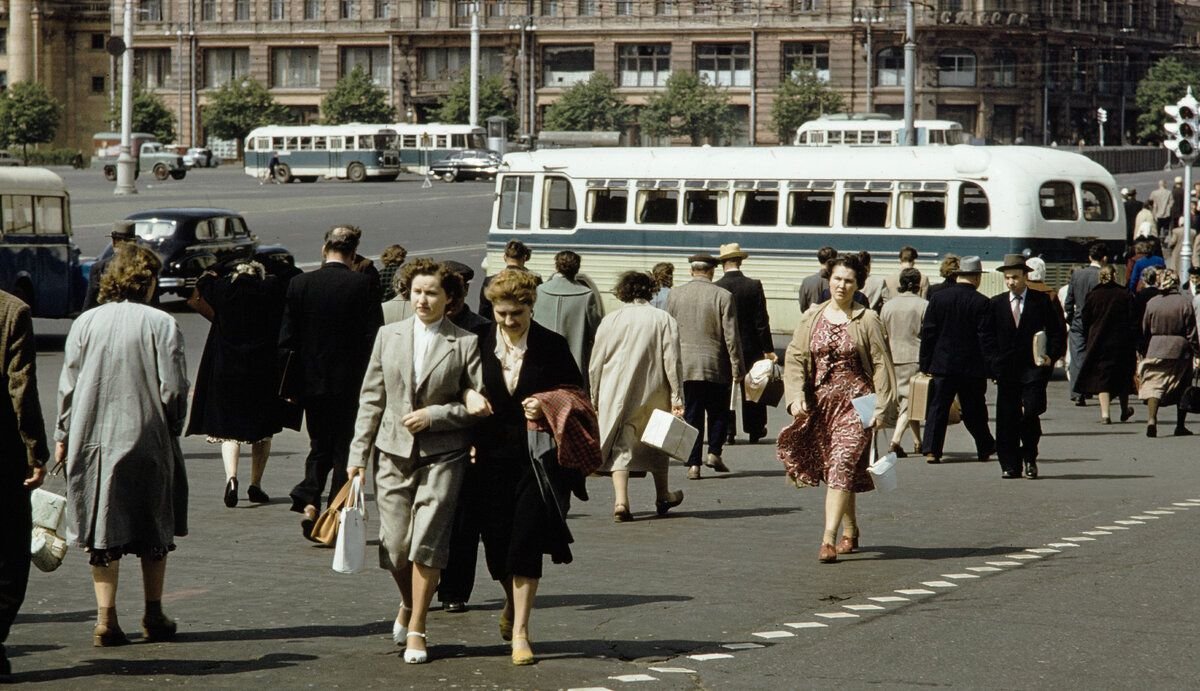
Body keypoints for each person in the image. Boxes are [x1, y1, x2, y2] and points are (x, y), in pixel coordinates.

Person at [346, 259, 488, 665]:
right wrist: (357, 456)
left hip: (444, 455)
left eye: (431, 293)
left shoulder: (465, 343)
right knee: (394, 546)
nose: (422, 300)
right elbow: (371, 399)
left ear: (450, 299)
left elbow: (476, 404)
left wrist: (435, 416)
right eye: (417, 292)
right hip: (391, 454)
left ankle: (418, 627)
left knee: (427, 544)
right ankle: (409, 602)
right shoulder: (387, 336)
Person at [56, 243, 190, 646]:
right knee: (153, 525)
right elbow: (173, 389)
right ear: (148, 281)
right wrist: (174, 426)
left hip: (92, 438)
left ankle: (105, 619)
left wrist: (63, 437)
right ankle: (153, 612)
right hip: (147, 436)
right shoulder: (162, 323)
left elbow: (69, 387)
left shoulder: (85, 323)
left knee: (101, 529)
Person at [474, 269, 585, 666]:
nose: (508, 321)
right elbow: (456, 386)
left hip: (537, 462)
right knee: (497, 548)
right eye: (501, 313)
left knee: (525, 543)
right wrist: (469, 397)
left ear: (530, 306)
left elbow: (577, 393)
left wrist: (547, 402)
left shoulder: (551, 345)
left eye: (516, 313)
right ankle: (509, 601)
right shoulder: (476, 343)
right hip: (484, 461)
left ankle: (521, 631)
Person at [779, 254, 897, 564]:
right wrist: (795, 397)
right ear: (828, 280)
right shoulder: (813, 317)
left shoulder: (866, 319)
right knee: (837, 471)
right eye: (837, 279)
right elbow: (795, 358)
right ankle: (851, 529)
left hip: (858, 406)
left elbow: (882, 365)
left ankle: (827, 539)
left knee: (842, 464)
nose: (841, 285)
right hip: (822, 407)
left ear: (858, 284)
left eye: (848, 280)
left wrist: (883, 408)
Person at [279, 225, 383, 540]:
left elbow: (287, 341)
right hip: (351, 384)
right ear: (353, 254)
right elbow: (374, 338)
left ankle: (309, 497)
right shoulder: (363, 285)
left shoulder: (300, 284)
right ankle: (333, 514)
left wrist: (292, 387)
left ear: (325, 249)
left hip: (311, 383)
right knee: (344, 450)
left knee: (318, 444)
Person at [187, 261, 287, 507]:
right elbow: (286, 274)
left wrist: (220, 267)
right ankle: (256, 484)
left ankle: (231, 478)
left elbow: (204, 281)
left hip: (226, 370)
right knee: (262, 433)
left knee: (228, 431)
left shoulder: (223, 292)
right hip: (260, 371)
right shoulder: (269, 292)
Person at [590, 271, 685, 522]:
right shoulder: (663, 319)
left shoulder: (610, 320)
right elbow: (672, 361)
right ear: (650, 291)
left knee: (622, 442)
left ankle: (621, 501)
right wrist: (677, 396)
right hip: (654, 388)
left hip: (615, 390)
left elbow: (595, 363)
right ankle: (663, 494)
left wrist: (595, 396)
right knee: (658, 440)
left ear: (622, 291)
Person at [436, 260, 494, 614]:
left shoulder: (482, 330)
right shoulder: (420, 328)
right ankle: (423, 585)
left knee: (462, 521)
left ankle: (454, 589)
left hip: (467, 437)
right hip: (425, 436)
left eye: (458, 290)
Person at [0, 289, 48, 677]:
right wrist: (35, 450)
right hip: (2, 454)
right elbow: (21, 388)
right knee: (9, 552)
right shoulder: (12, 311)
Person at [988, 254, 1067, 479]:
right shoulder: (996, 304)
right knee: (1006, 418)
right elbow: (987, 337)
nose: (1011, 282)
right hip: (1006, 371)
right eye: (1007, 278)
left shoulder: (1040, 301)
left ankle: (1030, 456)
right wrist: (993, 363)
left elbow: (1057, 331)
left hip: (1033, 369)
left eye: (1015, 277)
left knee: (1030, 414)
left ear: (1025, 276)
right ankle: (1009, 464)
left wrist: (1051, 356)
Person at [666, 253, 743, 480]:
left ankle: (693, 465)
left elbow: (668, 332)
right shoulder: (723, 296)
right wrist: (737, 366)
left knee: (692, 415)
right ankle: (714, 452)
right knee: (718, 412)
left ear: (692, 270)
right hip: (715, 365)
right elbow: (731, 336)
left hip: (685, 366)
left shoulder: (675, 295)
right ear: (712, 271)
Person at [918, 255, 996, 464]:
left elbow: (929, 333)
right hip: (972, 367)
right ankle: (985, 447)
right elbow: (985, 338)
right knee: (975, 409)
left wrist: (925, 363)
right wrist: (991, 367)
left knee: (938, 408)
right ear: (977, 278)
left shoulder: (938, 298)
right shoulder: (982, 302)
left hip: (943, 364)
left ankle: (932, 450)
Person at [714, 242, 774, 444]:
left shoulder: (717, 287)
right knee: (753, 386)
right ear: (740, 261)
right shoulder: (753, 285)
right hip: (751, 345)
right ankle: (755, 429)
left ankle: (728, 431)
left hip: (724, 346)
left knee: (725, 389)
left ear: (722, 263)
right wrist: (768, 349)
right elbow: (761, 321)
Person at [1138, 269, 1199, 437]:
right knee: (1182, 386)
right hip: (1179, 349)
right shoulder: (1184, 302)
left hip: (1156, 347)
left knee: (1153, 385)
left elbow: (1145, 329)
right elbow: (1191, 331)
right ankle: (1180, 425)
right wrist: (1197, 352)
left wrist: (1143, 350)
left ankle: (1152, 419)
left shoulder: (1152, 303)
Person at [1075, 265, 1138, 424]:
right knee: (1122, 376)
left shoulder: (1093, 295)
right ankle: (1124, 410)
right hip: (1121, 341)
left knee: (1102, 377)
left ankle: (1105, 414)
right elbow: (1133, 319)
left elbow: (1085, 319)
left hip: (1098, 341)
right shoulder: (1124, 294)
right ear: (1114, 275)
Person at [533, 251, 603, 391]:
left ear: (557, 267)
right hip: (574, 362)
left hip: (541, 360)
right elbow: (596, 331)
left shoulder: (540, 291)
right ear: (577, 268)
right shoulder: (586, 295)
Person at [880, 267, 927, 457]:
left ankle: (918, 441)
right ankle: (896, 440)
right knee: (911, 400)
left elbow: (883, 332)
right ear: (918, 283)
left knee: (907, 401)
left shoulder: (888, 306)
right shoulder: (924, 305)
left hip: (893, 356)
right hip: (915, 356)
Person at [1064, 242, 1107, 405]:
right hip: (1097, 321)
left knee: (1077, 356)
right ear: (1104, 258)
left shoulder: (1077, 275)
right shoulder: (1102, 276)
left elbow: (1069, 301)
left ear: (1090, 257)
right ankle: (1092, 387)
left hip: (1079, 320)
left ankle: (1077, 392)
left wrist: (1071, 316)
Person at [82, 221, 138, 311]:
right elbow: (155, 306)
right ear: (134, 242)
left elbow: (89, 304)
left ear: (114, 242)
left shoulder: (99, 268)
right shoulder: (145, 268)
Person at [479, 239, 540, 321]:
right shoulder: (534, 280)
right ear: (525, 258)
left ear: (504, 257)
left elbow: (483, 313)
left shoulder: (490, 281)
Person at [798, 246, 837, 313]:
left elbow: (803, 307)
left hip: (812, 319)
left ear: (819, 259)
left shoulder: (807, 281)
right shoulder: (837, 281)